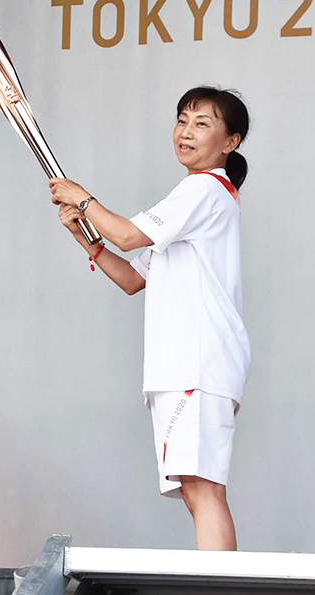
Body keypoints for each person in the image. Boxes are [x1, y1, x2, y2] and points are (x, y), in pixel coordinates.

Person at [48, 86, 251, 551]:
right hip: (184, 363)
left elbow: (130, 234)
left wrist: (83, 198)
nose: (186, 131)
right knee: (197, 491)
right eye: (182, 120)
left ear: (229, 142)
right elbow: (133, 278)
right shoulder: (196, 199)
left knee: (204, 491)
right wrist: (85, 237)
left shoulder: (204, 188)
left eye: (202, 123)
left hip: (197, 359)